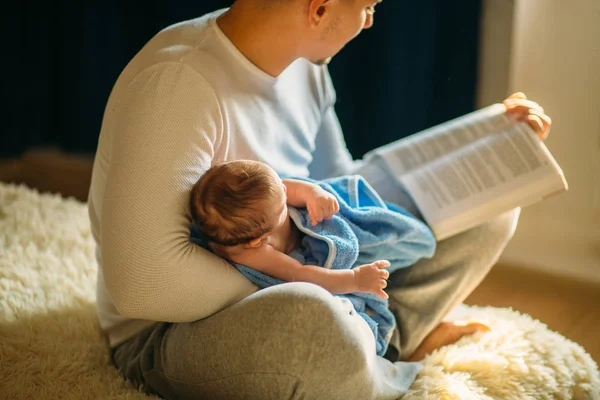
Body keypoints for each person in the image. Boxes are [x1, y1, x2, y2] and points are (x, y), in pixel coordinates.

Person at [88, 0, 552, 398]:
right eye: (367, 8)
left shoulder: (305, 69)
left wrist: (491, 139)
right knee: (309, 329)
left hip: (310, 262)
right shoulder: (179, 82)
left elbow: (338, 184)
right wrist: (311, 283)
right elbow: (142, 286)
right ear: (321, 7)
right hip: (174, 327)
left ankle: (383, 343)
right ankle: (378, 361)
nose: (369, 21)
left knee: (490, 206)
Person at [190, 159, 393, 300]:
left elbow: (292, 188)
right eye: (282, 208)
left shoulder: (264, 193)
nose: (287, 193)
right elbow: (301, 274)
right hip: (302, 247)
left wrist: (314, 193)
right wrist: (355, 279)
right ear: (256, 240)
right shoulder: (253, 254)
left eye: (280, 185)